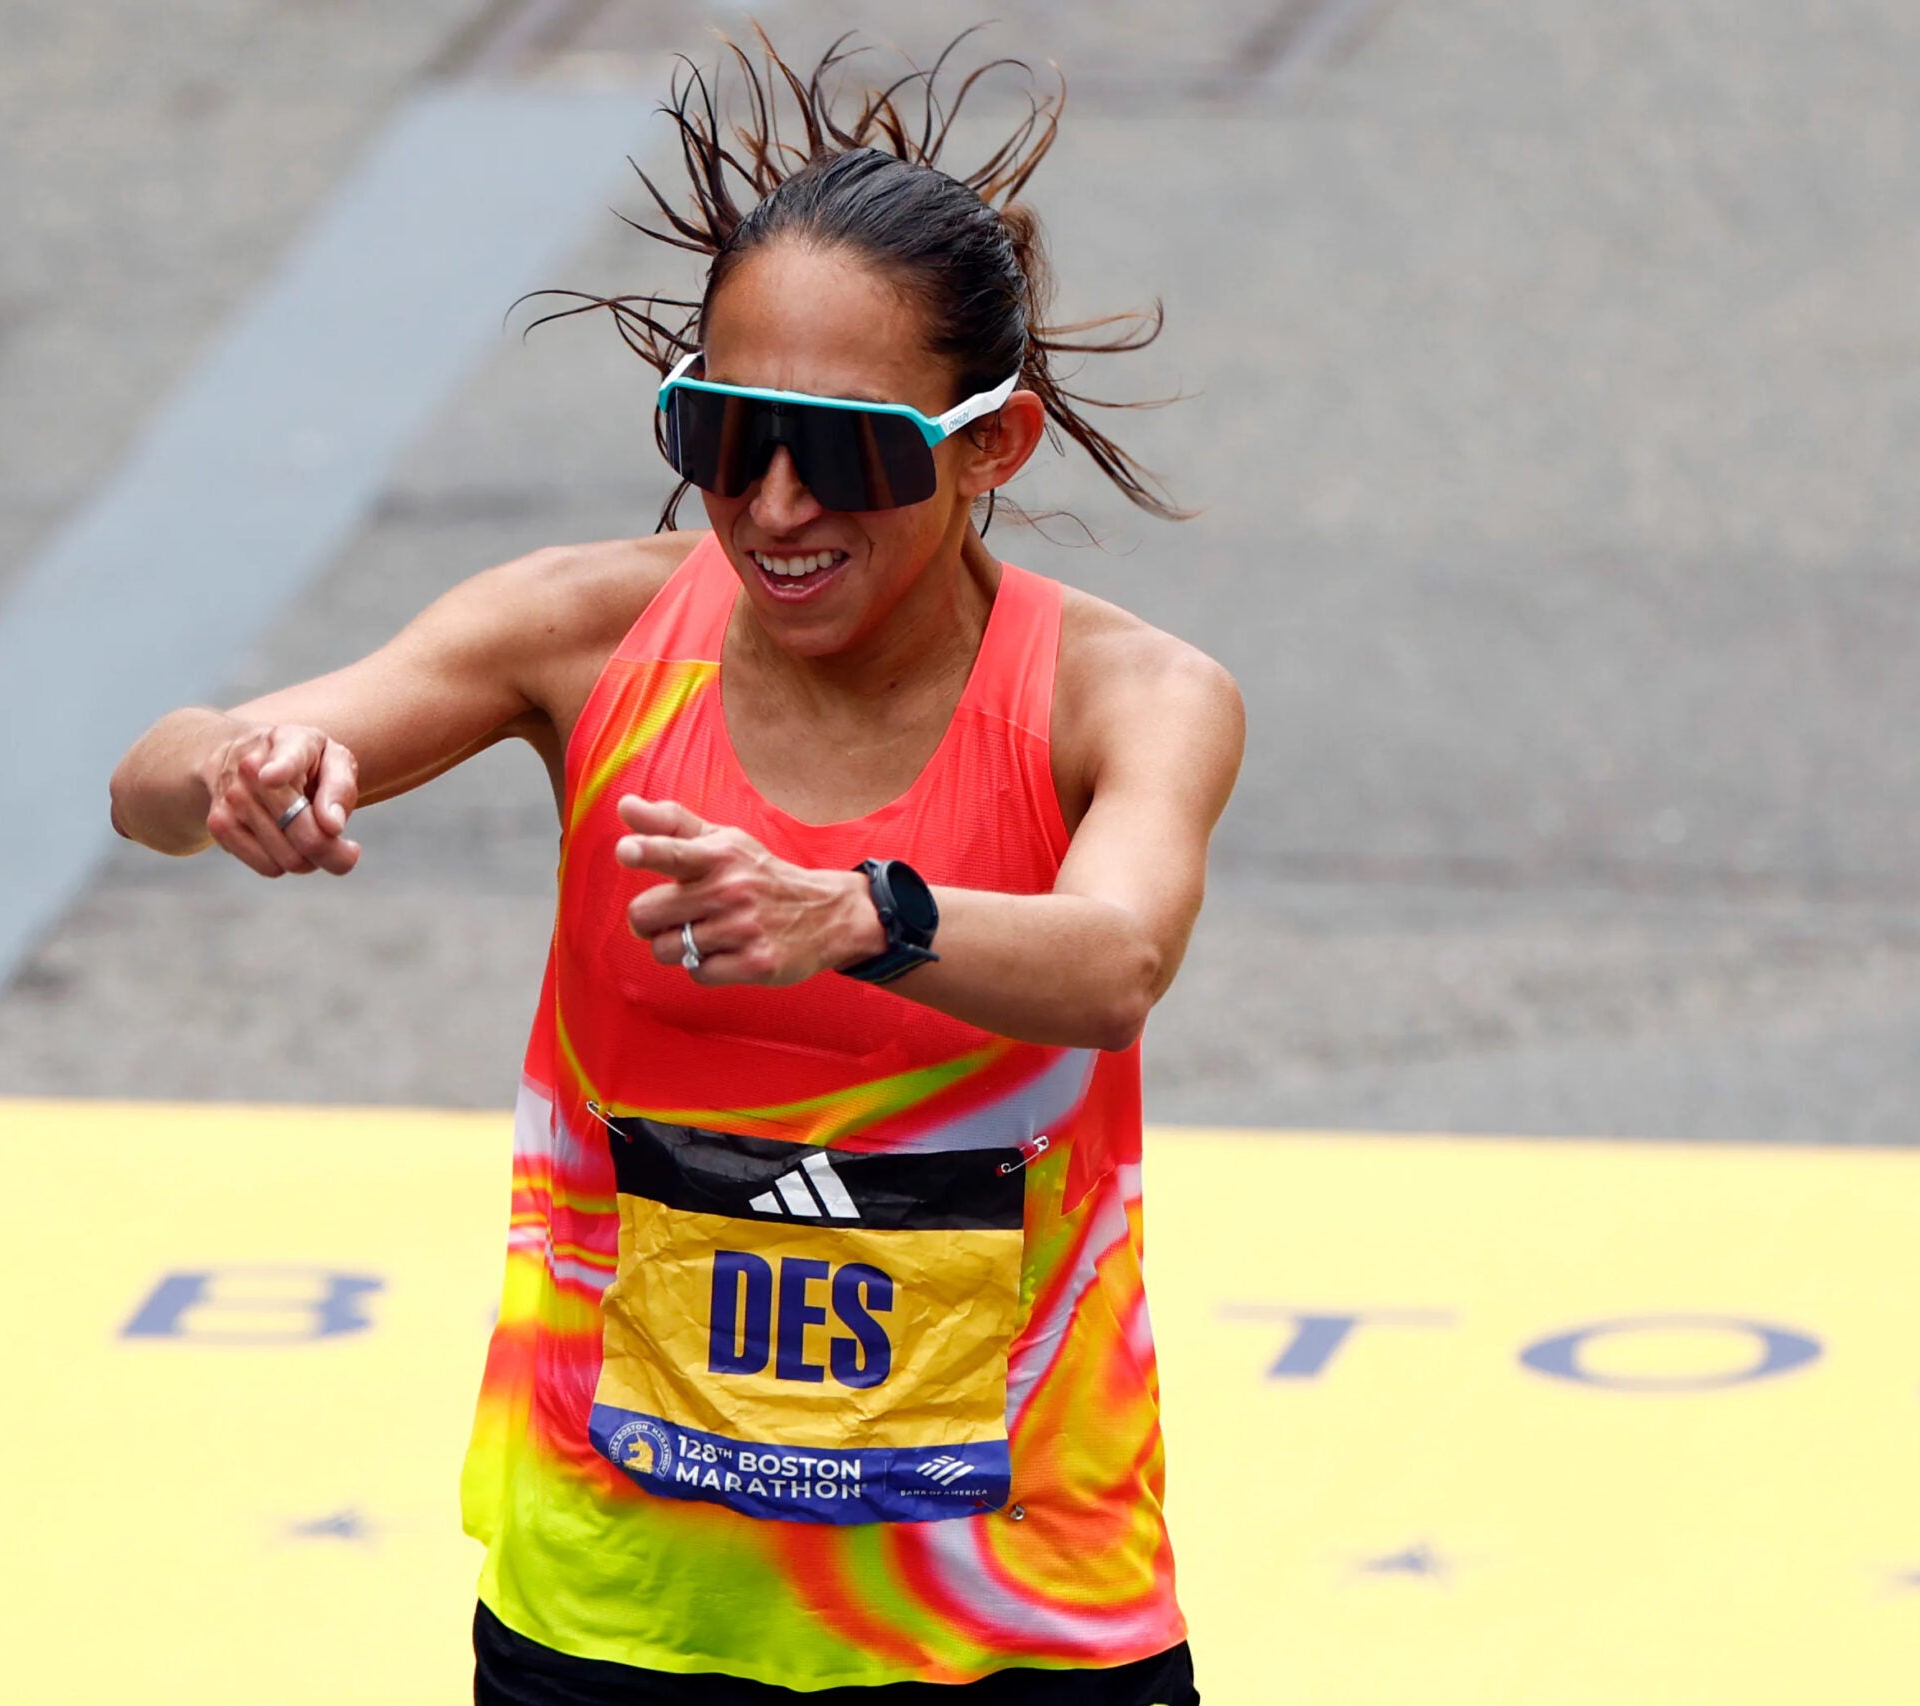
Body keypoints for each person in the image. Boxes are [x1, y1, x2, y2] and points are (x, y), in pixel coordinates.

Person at [110, 36, 1242, 1706]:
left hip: (1007, 1629)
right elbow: (148, 782)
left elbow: (1115, 961)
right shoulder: (583, 633)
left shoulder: (1127, 699)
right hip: (615, 1615)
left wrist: (851, 910)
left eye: (845, 452)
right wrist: (239, 768)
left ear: (996, 445)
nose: (773, 505)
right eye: (723, 431)